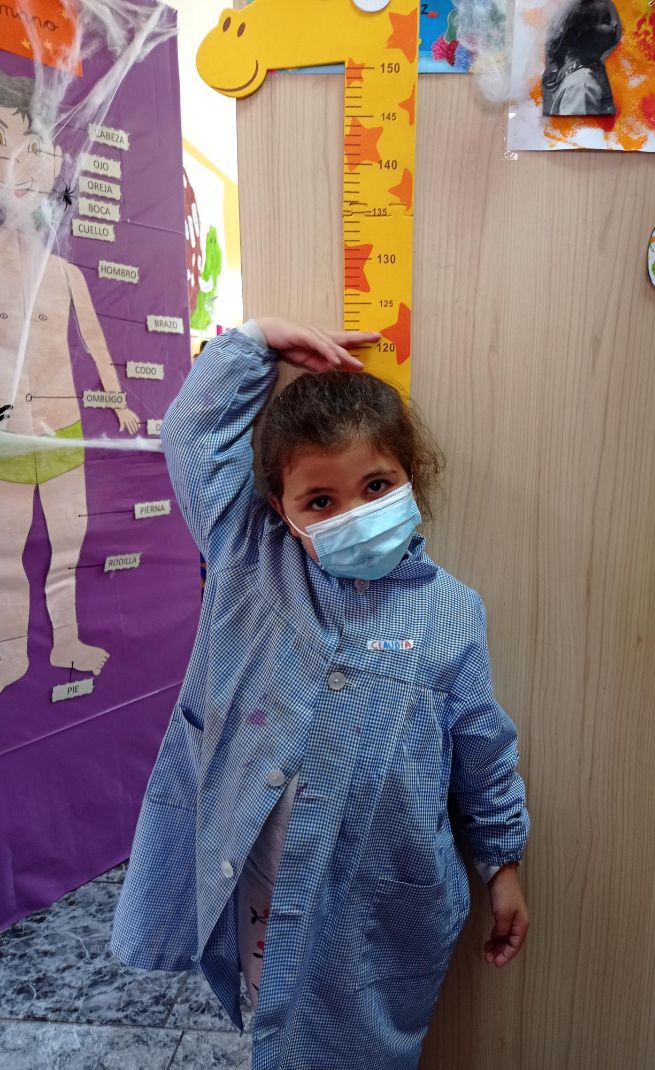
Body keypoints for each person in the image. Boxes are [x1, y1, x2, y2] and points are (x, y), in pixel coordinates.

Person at [111, 316, 531, 1069]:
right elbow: (189, 436)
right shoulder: (248, 559)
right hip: (259, 875)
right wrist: (254, 342)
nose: (355, 515)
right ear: (282, 509)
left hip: (369, 897)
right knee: (274, 1017)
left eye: (376, 486)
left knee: (351, 1037)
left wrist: (502, 863)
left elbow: (483, 751)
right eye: (321, 501)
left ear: (411, 476)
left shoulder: (452, 612)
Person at [0, 72, 140, 693]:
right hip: (10, 431)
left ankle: (65, 641)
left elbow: (96, 342)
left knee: (67, 544)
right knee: (7, 553)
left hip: (63, 427)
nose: (20, 165)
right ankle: (11, 653)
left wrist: (122, 403)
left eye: (34, 147)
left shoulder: (65, 274)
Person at [541, 0, 622, 117]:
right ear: (582, 35)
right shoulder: (583, 84)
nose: (615, 23)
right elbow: (582, 124)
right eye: (605, 20)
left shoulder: (580, 77)